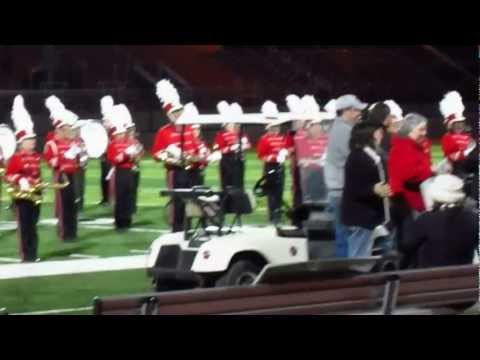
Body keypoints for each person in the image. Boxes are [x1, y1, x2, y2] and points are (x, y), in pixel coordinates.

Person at [402, 174, 478, 268]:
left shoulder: (426, 220)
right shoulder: (473, 219)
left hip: (429, 279)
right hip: (465, 278)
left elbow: (407, 245)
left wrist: (407, 219)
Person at [388, 113, 435, 264]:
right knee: (410, 242)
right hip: (408, 202)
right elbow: (406, 175)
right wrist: (429, 173)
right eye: (421, 129)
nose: (425, 133)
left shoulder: (416, 146)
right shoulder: (402, 147)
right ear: (409, 130)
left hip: (416, 199)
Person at [151, 79, 197, 232]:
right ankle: (177, 231)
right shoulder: (163, 131)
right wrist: (169, 158)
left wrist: (194, 157)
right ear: (170, 115)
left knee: (190, 203)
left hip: (191, 171)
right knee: (177, 203)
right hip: (175, 172)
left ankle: (189, 229)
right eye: (175, 112)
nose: (178, 114)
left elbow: (196, 150)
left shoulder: (189, 129)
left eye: (180, 111)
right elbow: (156, 154)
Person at [341, 122, 393, 258]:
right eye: (378, 132)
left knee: (378, 255)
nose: (382, 135)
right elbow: (354, 188)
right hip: (361, 218)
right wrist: (373, 189)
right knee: (359, 259)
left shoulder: (373, 156)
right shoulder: (357, 157)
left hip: (373, 218)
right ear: (369, 135)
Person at [325, 94, 367, 257]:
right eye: (356, 110)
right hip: (343, 190)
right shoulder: (344, 131)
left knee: (343, 235)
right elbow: (353, 159)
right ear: (347, 111)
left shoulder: (339, 128)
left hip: (338, 190)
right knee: (350, 235)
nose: (359, 114)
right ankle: (349, 275)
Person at [5, 95, 42, 262]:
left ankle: (33, 254)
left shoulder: (35, 156)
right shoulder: (15, 157)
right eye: (29, 139)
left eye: (33, 139)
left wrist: (39, 184)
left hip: (35, 195)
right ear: (21, 142)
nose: (33, 141)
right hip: (22, 197)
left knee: (33, 226)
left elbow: (36, 174)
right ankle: (26, 255)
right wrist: (20, 179)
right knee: (25, 227)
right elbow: (8, 175)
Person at [43, 95, 82, 241]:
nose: (69, 130)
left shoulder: (72, 142)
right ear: (59, 129)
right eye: (65, 128)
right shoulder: (52, 144)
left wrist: (78, 158)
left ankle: (73, 232)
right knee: (63, 206)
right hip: (61, 176)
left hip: (72, 175)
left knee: (72, 204)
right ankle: (64, 233)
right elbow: (51, 162)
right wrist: (64, 158)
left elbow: (78, 162)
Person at [107, 104, 143, 230]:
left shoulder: (131, 142)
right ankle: (119, 222)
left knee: (129, 196)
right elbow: (114, 159)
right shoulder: (112, 145)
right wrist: (125, 154)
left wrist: (135, 154)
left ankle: (127, 220)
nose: (121, 135)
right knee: (120, 196)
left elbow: (139, 156)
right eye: (119, 134)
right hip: (120, 171)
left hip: (130, 171)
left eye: (122, 133)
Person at [256, 101, 289, 223]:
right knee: (271, 191)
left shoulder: (282, 137)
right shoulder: (264, 139)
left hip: (280, 166)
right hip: (270, 166)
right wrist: (273, 158)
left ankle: (278, 213)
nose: (276, 129)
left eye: (277, 127)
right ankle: (272, 215)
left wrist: (285, 154)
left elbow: (285, 149)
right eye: (274, 127)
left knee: (280, 190)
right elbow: (261, 155)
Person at [214, 101, 251, 191]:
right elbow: (218, 149)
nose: (236, 125)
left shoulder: (241, 134)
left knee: (239, 183)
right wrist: (231, 148)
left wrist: (243, 146)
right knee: (226, 184)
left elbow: (249, 145)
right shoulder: (221, 134)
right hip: (227, 161)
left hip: (239, 161)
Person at [439, 91, 475, 178]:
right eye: (456, 123)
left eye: (461, 122)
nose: (459, 125)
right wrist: (467, 151)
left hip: (468, 168)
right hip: (454, 171)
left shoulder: (467, 136)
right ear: (450, 125)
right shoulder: (447, 137)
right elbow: (452, 157)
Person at [99, 95, 114, 206]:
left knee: (110, 175)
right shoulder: (102, 123)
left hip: (113, 152)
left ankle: (110, 197)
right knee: (104, 175)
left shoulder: (116, 120)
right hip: (104, 152)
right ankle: (105, 198)